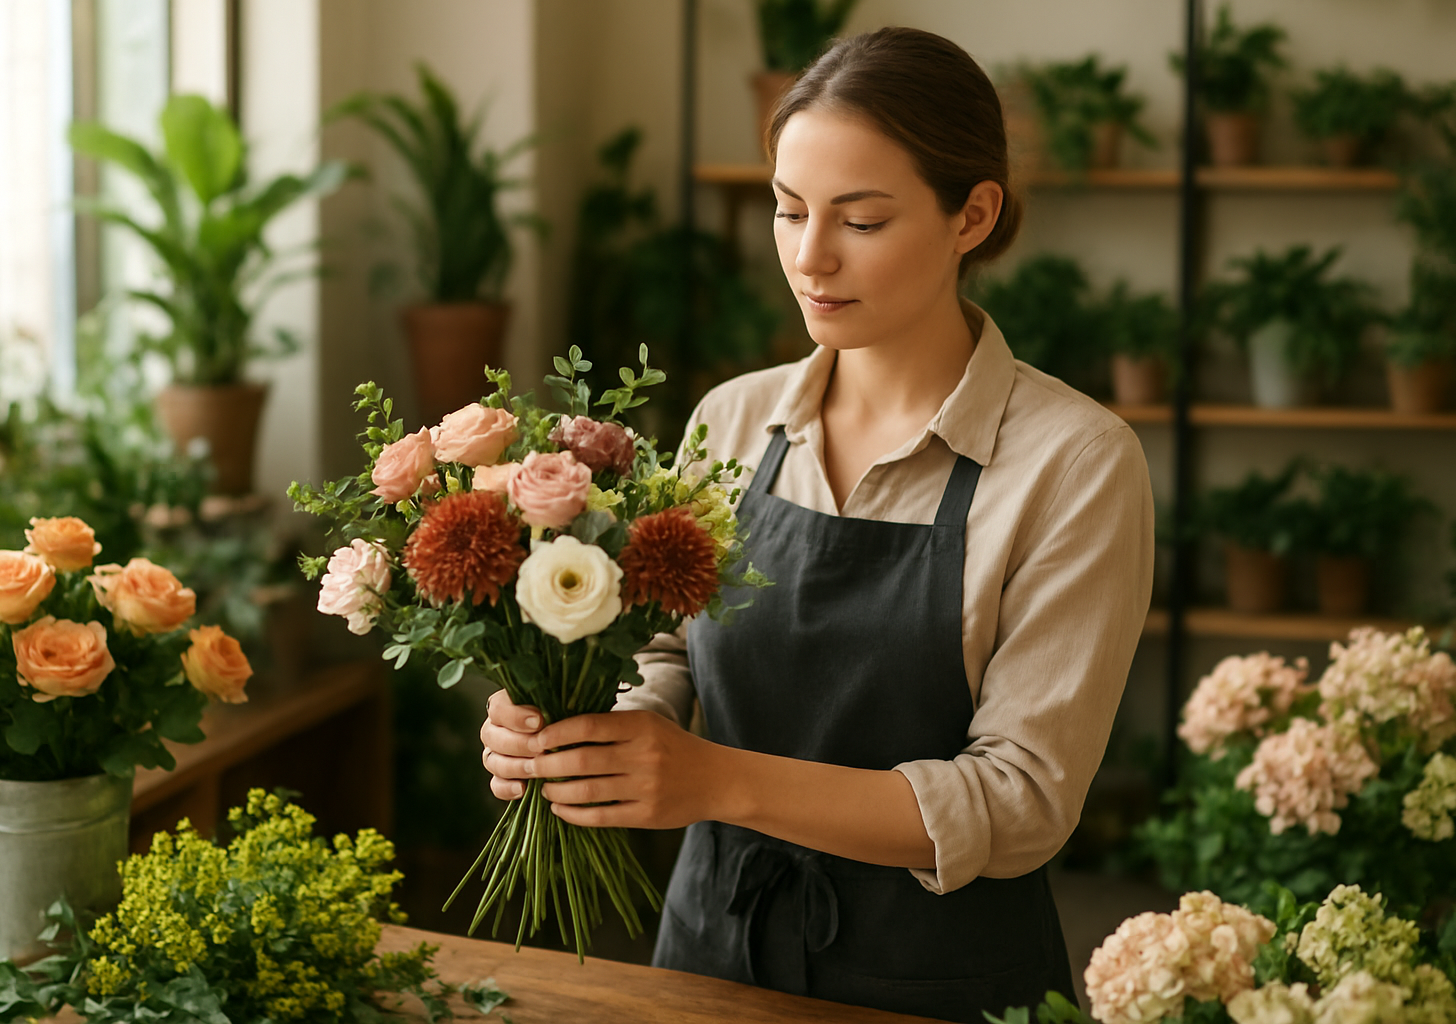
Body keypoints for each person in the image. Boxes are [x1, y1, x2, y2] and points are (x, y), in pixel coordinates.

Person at [480, 25, 1154, 1023]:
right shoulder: (734, 421)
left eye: (863, 220)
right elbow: (667, 650)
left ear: (973, 214)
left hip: (938, 983)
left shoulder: (1075, 463)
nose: (810, 256)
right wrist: (593, 725)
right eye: (788, 210)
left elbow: (1019, 803)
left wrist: (713, 779)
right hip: (708, 956)